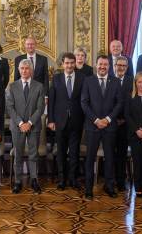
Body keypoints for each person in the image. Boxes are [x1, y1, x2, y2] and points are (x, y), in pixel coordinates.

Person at [81, 55, 123, 199]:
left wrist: (108, 119)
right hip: (93, 126)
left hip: (109, 126)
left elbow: (119, 103)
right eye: (100, 64)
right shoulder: (88, 81)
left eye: (105, 64)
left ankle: (109, 186)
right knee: (90, 158)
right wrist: (96, 120)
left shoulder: (116, 82)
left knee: (110, 158)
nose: (102, 67)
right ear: (95, 65)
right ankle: (88, 189)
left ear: (109, 66)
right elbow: (84, 103)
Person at [6, 59, 45, 194]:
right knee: (18, 154)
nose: (24, 71)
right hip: (17, 126)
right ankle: (18, 181)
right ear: (18, 70)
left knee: (33, 154)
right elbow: (10, 108)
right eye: (22, 68)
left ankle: (34, 180)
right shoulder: (12, 86)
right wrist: (21, 123)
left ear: (31, 70)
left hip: (34, 126)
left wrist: (29, 123)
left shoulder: (39, 86)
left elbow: (40, 108)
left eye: (27, 68)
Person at [48, 53, 85, 190]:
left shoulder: (82, 78)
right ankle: (61, 180)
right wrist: (51, 120)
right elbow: (51, 100)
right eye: (67, 63)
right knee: (61, 152)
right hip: (59, 121)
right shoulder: (56, 78)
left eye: (71, 63)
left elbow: (85, 100)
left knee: (74, 152)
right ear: (63, 64)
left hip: (77, 120)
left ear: (75, 63)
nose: (69, 65)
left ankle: (73, 179)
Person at [113, 56, 133, 191]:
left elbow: (132, 103)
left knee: (122, 152)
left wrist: (125, 118)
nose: (121, 68)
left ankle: (121, 181)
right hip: (111, 122)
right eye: (118, 65)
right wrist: (112, 118)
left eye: (123, 66)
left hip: (126, 123)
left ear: (127, 67)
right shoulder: (109, 80)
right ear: (114, 66)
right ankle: (110, 179)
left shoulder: (132, 81)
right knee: (110, 153)